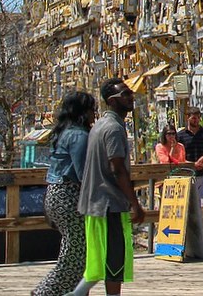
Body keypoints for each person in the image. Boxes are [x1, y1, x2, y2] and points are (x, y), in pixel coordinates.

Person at [68, 78, 145, 296]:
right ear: (112, 101)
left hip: (95, 204)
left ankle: (78, 293)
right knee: (113, 263)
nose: (131, 97)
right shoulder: (112, 128)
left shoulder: (100, 125)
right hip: (108, 204)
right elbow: (117, 168)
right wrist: (135, 204)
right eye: (125, 94)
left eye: (131, 93)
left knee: (99, 262)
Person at [31, 92, 96, 296]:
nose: (94, 114)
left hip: (55, 194)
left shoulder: (64, 132)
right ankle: (45, 292)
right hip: (69, 196)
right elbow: (83, 173)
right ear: (83, 112)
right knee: (76, 255)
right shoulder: (79, 135)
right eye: (92, 109)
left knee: (72, 248)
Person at [176, 106, 203, 235]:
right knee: (188, 207)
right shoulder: (180, 135)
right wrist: (192, 164)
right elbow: (177, 157)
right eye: (194, 118)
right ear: (188, 118)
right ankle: (189, 235)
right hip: (187, 175)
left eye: (198, 118)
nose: (196, 120)